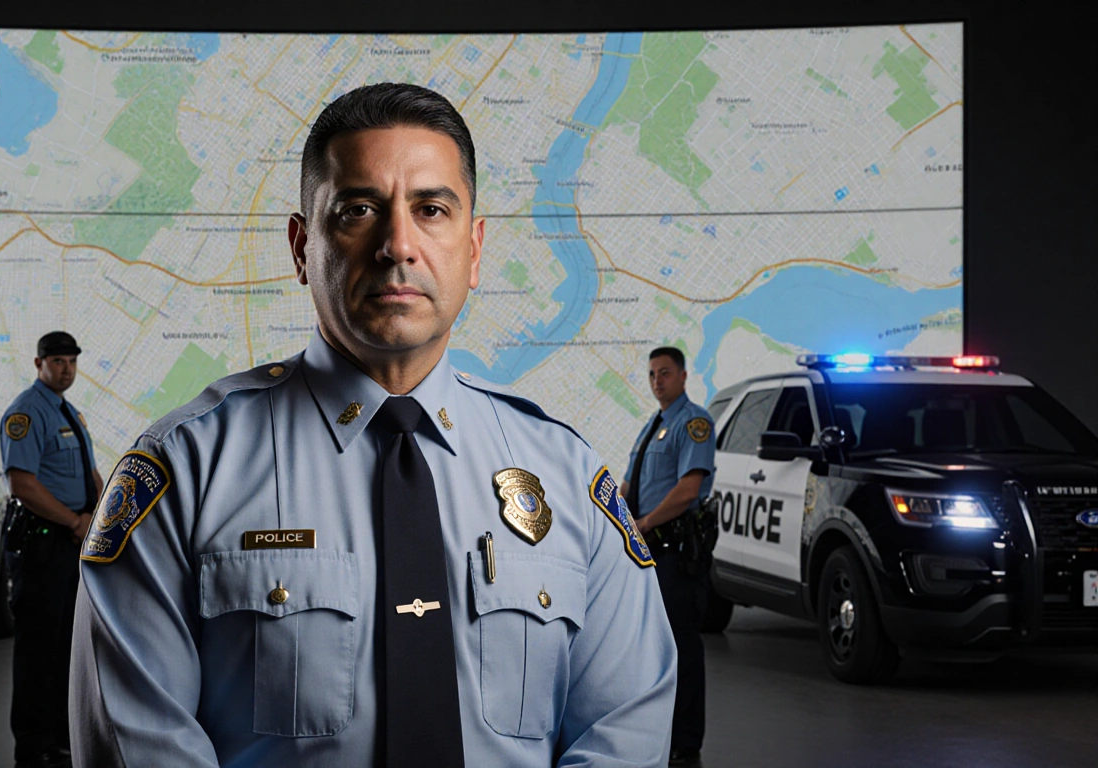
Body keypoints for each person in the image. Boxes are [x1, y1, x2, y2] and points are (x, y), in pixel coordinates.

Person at [70, 83, 678, 767]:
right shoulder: (182, 472)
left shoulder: (568, 477)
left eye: (431, 209)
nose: (398, 245)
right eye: (358, 210)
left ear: (475, 250)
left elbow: (624, 732)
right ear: (302, 247)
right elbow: (139, 744)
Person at [1, 331, 104, 768]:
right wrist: (75, 521)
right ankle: (34, 747)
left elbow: (90, 472)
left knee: (67, 646)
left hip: (72, 542)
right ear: (39, 362)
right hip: (44, 542)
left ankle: (62, 738)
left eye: (71, 362)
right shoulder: (27, 411)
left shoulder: (67, 411)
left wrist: (100, 517)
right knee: (39, 651)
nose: (66, 369)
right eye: (58, 361)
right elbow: (22, 484)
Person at [619, 346, 716, 767]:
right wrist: (616, 519)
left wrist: (643, 523)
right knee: (652, 648)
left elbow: (689, 489)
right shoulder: (653, 426)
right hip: (649, 553)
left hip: (675, 552)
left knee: (681, 649)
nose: (658, 381)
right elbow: (628, 484)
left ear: (682, 376)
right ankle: (659, 733)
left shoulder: (693, 423)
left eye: (665, 373)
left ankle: (686, 740)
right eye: (653, 374)